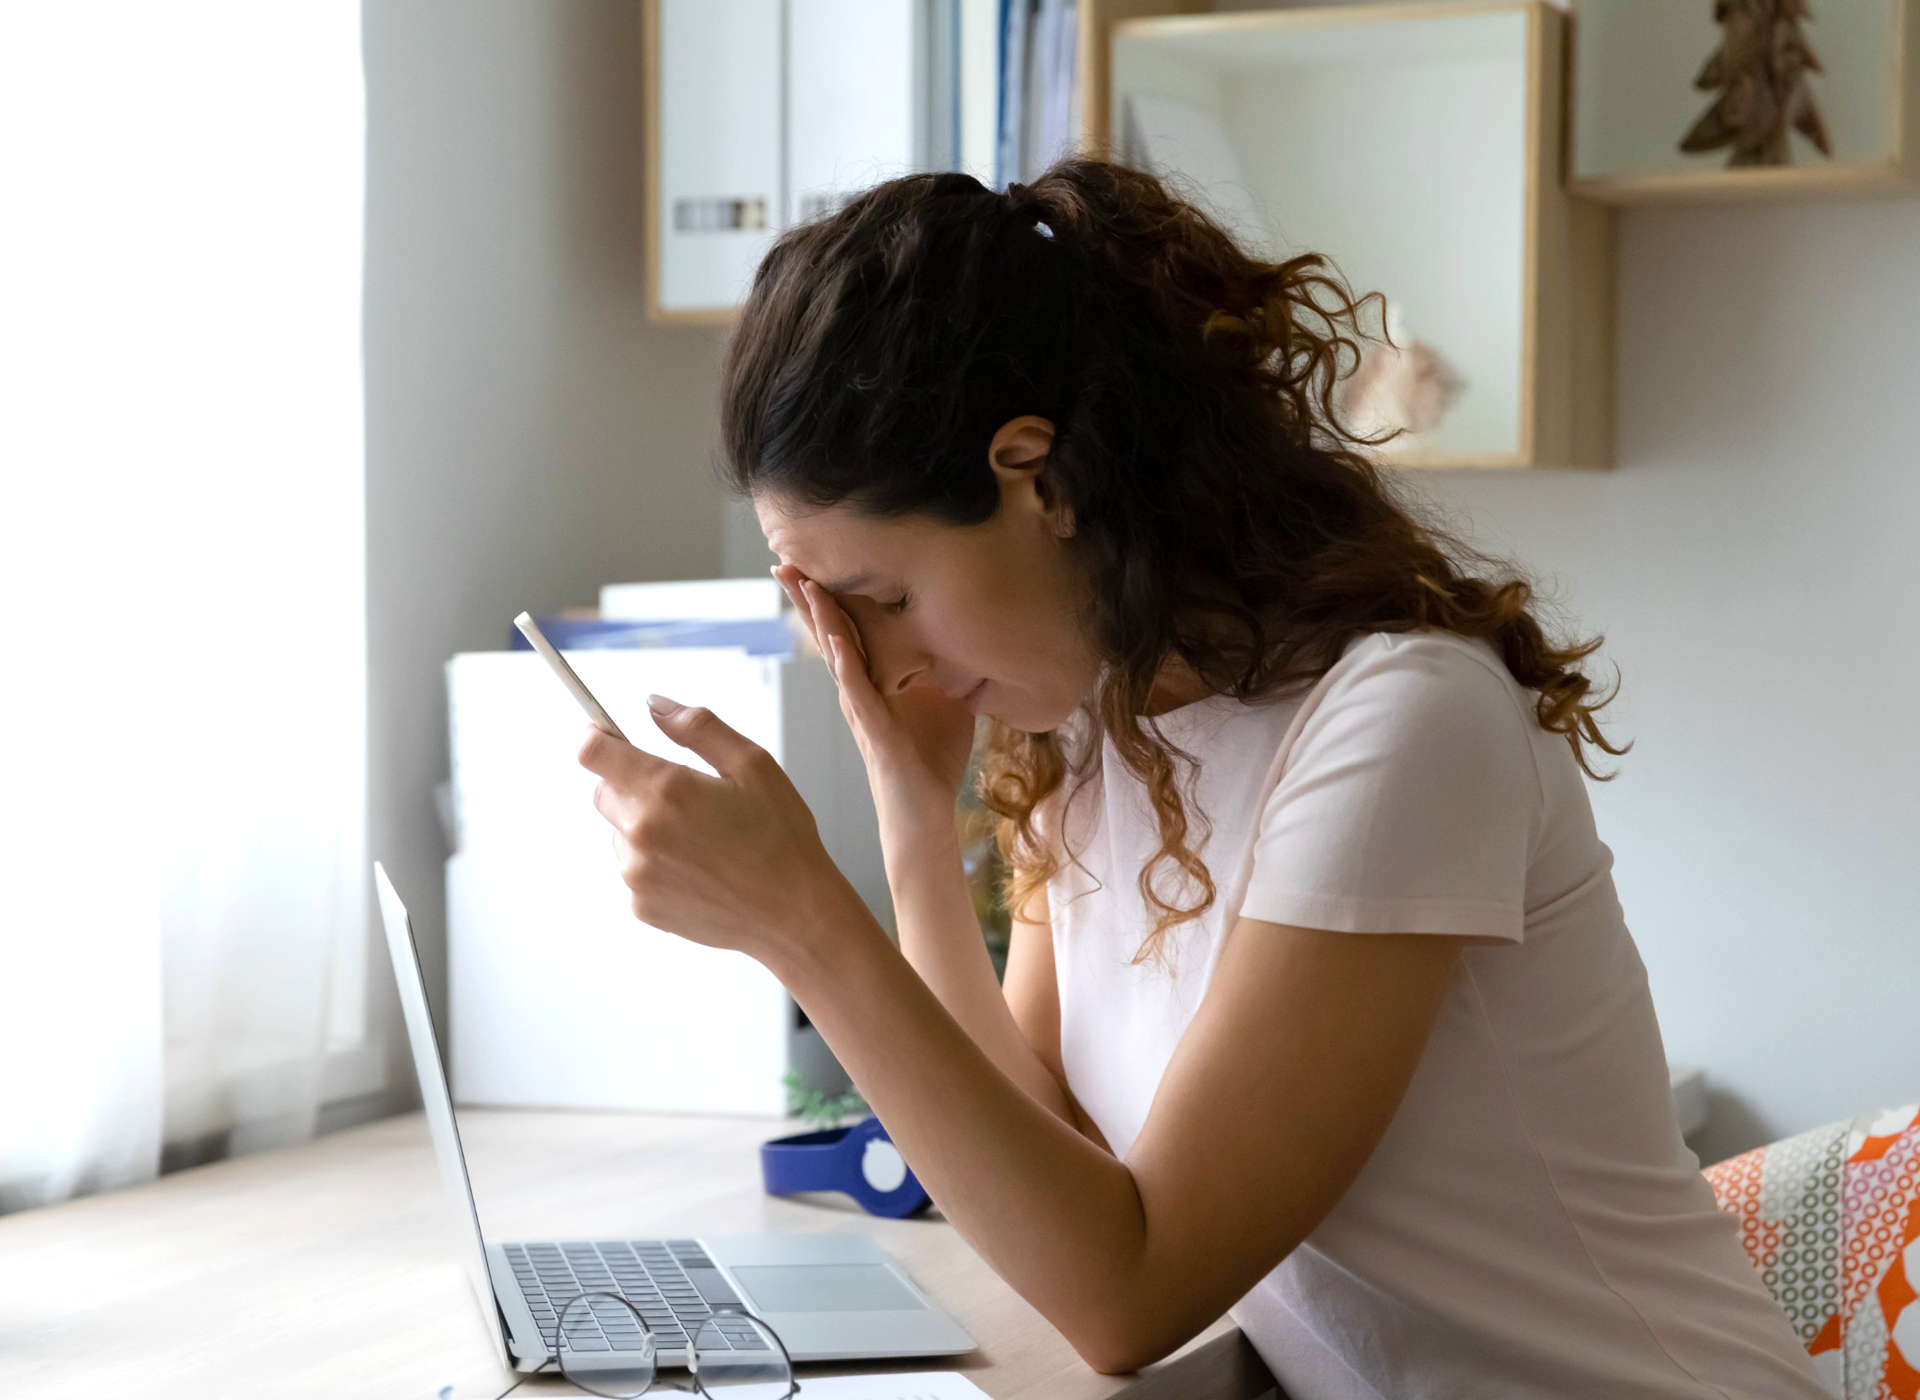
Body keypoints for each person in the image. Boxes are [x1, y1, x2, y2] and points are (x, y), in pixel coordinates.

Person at [577, 158, 1829, 1398]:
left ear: (1043, 477)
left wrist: (804, 926)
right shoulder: (1088, 747)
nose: (871, 659)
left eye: (885, 599)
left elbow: (1128, 1286)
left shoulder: (1400, 724)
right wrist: (910, 815)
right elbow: (1036, 1166)